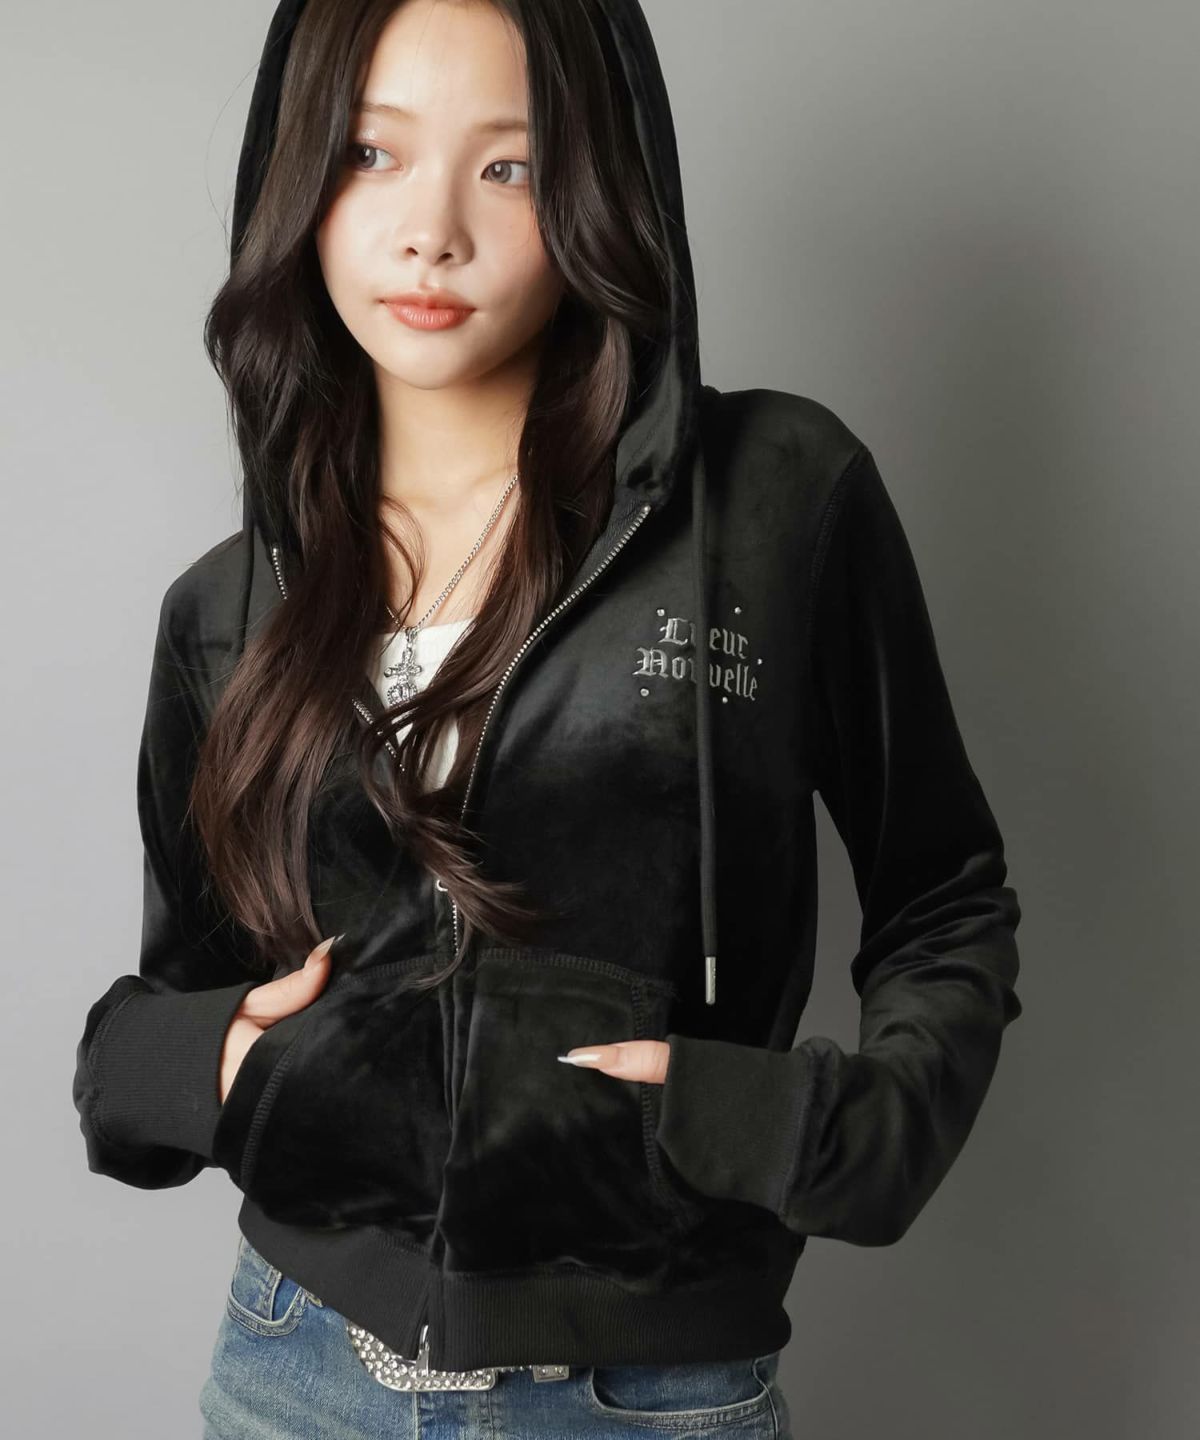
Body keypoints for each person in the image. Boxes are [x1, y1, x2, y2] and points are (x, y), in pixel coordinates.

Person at [71, 0, 1024, 1435]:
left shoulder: (773, 501)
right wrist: (206, 1065)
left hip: (647, 1394)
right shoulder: (231, 605)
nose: (432, 232)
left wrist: (823, 1134)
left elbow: (944, 895)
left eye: (507, 167)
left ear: (595, 190)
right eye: (371, 153)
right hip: (294, 1371)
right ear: (297, 175)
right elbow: (165, 1015)